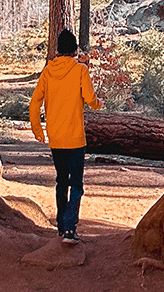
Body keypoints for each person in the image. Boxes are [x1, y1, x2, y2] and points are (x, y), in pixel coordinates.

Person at [29, 28, 102, 243]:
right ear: (75, 49)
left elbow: (34, 104)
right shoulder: (80, 70)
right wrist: (98, 104)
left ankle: (61, 228)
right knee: (76, 184)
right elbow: (90, 98)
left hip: (56, 138)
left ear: (58, 49)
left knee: (61, 182)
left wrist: (38, 130)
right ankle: (70, 228)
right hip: (75, 138)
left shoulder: (47, 72)